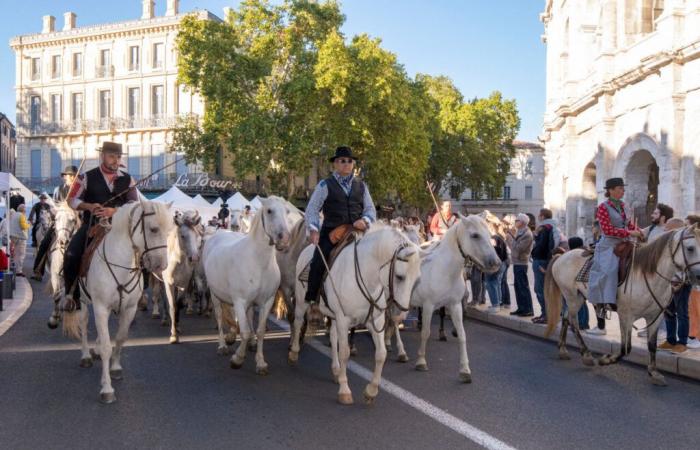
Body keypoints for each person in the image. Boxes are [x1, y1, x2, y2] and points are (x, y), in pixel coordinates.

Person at [61, 142, 139, 312]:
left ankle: (140, 294)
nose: (115, 160)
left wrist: (115, 211)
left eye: (118, 157)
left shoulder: (128, 179)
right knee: (71, 253)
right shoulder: (86, 177)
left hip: (120, 227)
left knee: (144, 251)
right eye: (112, 156)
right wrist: (88, 206)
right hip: (92, 226)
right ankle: (70, 296)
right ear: (102, 156)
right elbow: (72, 200)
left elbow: (135, 204)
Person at [304, 146, 376, 326]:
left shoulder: (362, 185)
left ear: (353, 164)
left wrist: (365, 220)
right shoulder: (324, 185)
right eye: (342, 160)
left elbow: (370, 210)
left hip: (358, 232)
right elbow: (312, 209)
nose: (346, 163)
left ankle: (379, 301)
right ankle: (312, 301)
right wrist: (313, 229)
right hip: (333, 232)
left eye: (349, 161)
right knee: (318, 261)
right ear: (335, 164)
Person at [587, 177, 642, 334]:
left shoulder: (624, 206)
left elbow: (629, 224)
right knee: (606, 274)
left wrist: (641, 231)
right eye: (619, 188)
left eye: (623, 188)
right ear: (610, 190)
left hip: (625, 242)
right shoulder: (602, 207)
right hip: (609, 246)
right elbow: (607, 229)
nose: (623, 190)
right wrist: (630, 232)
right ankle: (601, 323)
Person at [32, 165, 78, 280]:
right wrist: (59, 211)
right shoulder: (58, 189)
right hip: (61, 218)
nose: (71, 177)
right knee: (44, 242)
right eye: (69, 175)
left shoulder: (80, 188)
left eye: (73, 176)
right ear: (65, 177)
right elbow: (54, 205)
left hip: (76, 219)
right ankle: (38, 269)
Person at [657, 217, 690, 353]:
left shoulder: (685, 245)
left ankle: (682, 342)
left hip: (682, 282)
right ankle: (671, 340)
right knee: (668, 311)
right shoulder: (669, 244)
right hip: (668, 282)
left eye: (667, 228)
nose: (664, 230)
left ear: (675, 229)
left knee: (682, 313)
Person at [530, 208, 560, 324]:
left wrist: (534, 253)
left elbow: (542, 246)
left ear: (542, 216)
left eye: (539, 215)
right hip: (546, 260)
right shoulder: (552, 227)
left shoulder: (544, 228)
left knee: (540, 289)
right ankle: (546, 314)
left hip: (541, 260)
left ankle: (546, 315)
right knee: (544, 289)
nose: (538, 216)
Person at [507, 213, 534, 317]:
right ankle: (521, 308)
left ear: (522, 222)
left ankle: (528, 309)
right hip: (517, 262)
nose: (515, 222)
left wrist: (509, 238)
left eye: (517, 220)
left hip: (521, 263)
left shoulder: (527, 234)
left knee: (523, 287)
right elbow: (515, 247)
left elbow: (517, 249)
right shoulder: (521, 231)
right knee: (518, 287)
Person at [484, 232, 508, 313]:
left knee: (491, 284)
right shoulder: (499, 238)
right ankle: (499, 303)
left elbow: (495, 250)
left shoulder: (493, 238)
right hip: (502, 263)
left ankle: (495, 304)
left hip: (495, 264)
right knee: (497, 283)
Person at [9, 204, 30, 276]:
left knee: (13, 253)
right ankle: (19, 271)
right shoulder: (22, 216)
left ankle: (11, 267)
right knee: (21, 255)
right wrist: (29, 224)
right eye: (25, 209)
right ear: (23, 210)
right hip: (21, 237)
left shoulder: (13, 215)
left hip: (12, 236)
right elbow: (23, 226)